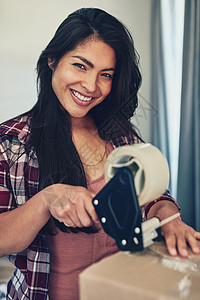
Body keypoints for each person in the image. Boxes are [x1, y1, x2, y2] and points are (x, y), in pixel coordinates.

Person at [0, 7, 199, 300]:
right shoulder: (10, 142)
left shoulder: (119, 134)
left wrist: (169, 217)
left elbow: (152, 193)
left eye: (105, 74)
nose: (91, 86)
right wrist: (46, 200)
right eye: (81, 66)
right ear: (52, 61)